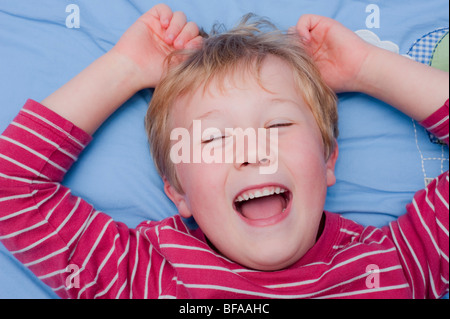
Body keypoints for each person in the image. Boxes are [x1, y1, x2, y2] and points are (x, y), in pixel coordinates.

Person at [0, 3, 448, 299]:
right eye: (212, 139)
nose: (252, 152)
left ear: (328, 159)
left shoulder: (395, 265)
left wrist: (369, 69)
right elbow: (10, 189)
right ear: (179, 192)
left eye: (276, 126)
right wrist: (126, 68)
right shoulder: (147, 276)